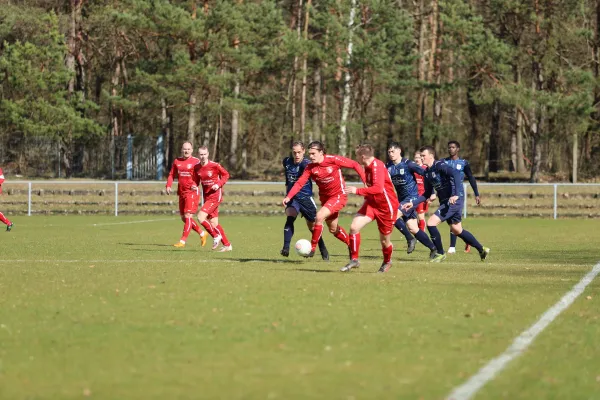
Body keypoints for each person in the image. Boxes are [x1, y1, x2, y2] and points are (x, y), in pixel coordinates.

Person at [402, 146, 490, 263]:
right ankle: (482, 249)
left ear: (431, 156)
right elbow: (427, 193)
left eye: (423, 155)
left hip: (453, 201)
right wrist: (413, 203)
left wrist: (456, 194)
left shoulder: (439, 166)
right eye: (420, 156)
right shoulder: (427, 173)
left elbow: (456, 175)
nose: (421, 158)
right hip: (446, 201)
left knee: (431, 223)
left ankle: (440, 253)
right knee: (457, 229)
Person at [282, 140, 366, 258]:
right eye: (310, 154)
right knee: (333, 229)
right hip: (325, 199)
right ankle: (350, 245)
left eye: (313, 154)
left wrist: (365, 183)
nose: (310, 157)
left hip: (338, 196)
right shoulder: (310, 167)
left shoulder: (333, 160)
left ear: (321, 152)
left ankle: (312, 248)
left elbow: (355, 165)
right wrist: (289, 196)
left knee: (319, 216)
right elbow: (299, 183)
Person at [343, 144, 399, 273]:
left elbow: (378, 189)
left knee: (385, 241)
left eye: (356, 155)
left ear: (362, 156)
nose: (356, 158)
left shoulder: (377, 166)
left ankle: (387, 261)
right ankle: (355, 260)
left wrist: (357, 191)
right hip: (372, 204)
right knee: (354, 227)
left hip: (386, 207)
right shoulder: (367, 166)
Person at [386, 143, 439, 260]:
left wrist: (433, 191)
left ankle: (410, 239)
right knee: (413, 228)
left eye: (393, 151)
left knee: (392, 216)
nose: (391, 154)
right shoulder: (388, 166)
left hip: (411, 198)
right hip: (400, 199)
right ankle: (433, 248)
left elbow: (426, 174)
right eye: (389, 152)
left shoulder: (408, 164)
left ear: (399, 151)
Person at [281, 141, 329, 260]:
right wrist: (287, 194)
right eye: (294, 152)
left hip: (306, 198)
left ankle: (323, 249)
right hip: (292, 198)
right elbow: (288, 179)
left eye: (299, 152)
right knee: (290, 216)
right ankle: (285, 248)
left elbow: (317, 176)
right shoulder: (287, 162)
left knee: (313, 227)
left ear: (303, 152)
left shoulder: (306, 164)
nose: (297, 155)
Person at [166, 142, 206, 248]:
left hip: (192, 192)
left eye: (188, 149)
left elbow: (203, 174)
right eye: (185, 149)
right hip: (181, 192)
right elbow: (171, 174)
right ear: (181, 149)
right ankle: (202, 234)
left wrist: (196, 185)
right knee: (184, 218)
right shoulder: (177, 161)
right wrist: (168, 185)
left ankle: (182, 241)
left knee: (188, 216)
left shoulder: (196, 162)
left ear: (192, 150)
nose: (186, 151)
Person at [193, 146, 232, 252]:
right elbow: (196, 181)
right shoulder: (196, 167)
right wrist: (194, 185)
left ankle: (215, 236)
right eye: (201, 154)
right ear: (198, 155)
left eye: (204, 154)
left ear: (208, 154)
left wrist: (218, 184)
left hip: (215, 196)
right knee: (214, 223)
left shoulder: (215, 165)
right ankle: (227, 245)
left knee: (200, 217)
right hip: (207, 196)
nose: (203, 156)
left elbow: (226, 175)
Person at [444, 141, 481, 254]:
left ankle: (452, 247)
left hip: (458, 195)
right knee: (451, 223)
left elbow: (471, 178)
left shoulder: (463, 163)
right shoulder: (444, 162)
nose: (451, 149)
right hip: (446, 195)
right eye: (449, 147)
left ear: (458, 149)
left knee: (453, 222)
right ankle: (467, 239)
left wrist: (476, 193)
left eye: (453, 147)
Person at [413, 151, 432, 232]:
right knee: (414, 217)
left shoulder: (425, 169)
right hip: (414, 195)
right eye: (415, 157)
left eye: (419, 157)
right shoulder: (413, 168)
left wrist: (430, 195)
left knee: (421, 216)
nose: (417, 159)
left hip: (423, 195)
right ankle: (419, 233)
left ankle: (422, 233)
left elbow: (430, 183)